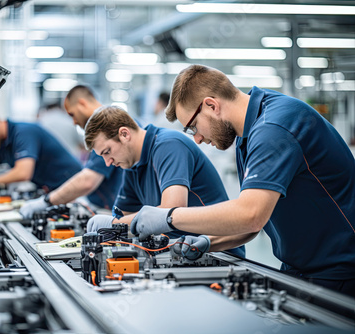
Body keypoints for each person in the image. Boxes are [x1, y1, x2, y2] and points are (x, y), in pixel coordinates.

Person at [131, 64, 355, 297]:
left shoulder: (273, 128)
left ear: (211, 105)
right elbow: (253, 221)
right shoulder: (246, 133)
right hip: (300, 269)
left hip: (339, 273)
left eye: (193, 127)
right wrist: (209, 241)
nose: (196, 139)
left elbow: (250, 216)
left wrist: (169, 217)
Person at [84, 106, 245, 257]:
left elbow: (169, 211)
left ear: (124, 134)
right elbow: (124, 221)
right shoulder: (132, 166)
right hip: (178, 252)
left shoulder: (168, 144)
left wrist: (112, 224)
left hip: (216, 251)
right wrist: (113, 225)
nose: (107, 162)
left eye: (107, 152)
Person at [19, 86, 125, 218]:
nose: (74, 122)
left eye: (72, 114)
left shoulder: (108, 126)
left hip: (117, 214)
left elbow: (88, 181)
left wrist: (47, 201)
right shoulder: (105, 127)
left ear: (82, 103)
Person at [0, 111, 82, 190]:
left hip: (74, 185)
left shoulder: (23, 132)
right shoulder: (1, 144)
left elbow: (23, 172)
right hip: (53, 188)